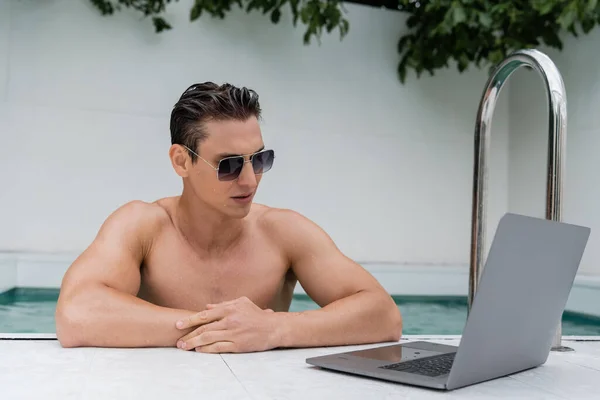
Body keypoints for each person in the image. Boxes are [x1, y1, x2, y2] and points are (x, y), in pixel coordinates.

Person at [55, 82, 402, 353]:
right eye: (230, 165)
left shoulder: (283, 232)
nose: (250, 180)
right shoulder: (143, 226)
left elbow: (384, 315)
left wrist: (274, 330)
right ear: (181, 161)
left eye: (260, 159)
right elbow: (76, 313)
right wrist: (223, 328)